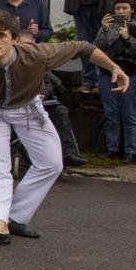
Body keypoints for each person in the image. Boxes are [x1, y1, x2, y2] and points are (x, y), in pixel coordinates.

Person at [0, 10, 130, 247]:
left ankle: (15, 217)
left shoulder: (38, 55)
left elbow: (83, 47)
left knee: (52, 163)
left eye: (1, 35)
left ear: (14, 39)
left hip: (27, 107)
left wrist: (115, 69)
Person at [16, 32, 88, 168]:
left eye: (29, 46)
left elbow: (52, 84)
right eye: (23, 46)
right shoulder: (10, 63)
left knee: (61, 111)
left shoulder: (38, 63)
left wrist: (42, 93)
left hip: (42, 104)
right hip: (19, 107)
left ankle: (68, 153)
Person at [94, 0, 136, 161]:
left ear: (132, 10)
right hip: (108, 75)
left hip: (130, 75)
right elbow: (96, 50)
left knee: (129, 114)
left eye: (125, 8)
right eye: (118, 9)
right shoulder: (106, 27)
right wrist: (106, 31)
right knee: (111, 113)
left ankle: (131, 151)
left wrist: (127, 37)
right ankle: (112, 148)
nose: (121, 11)